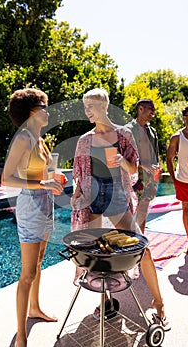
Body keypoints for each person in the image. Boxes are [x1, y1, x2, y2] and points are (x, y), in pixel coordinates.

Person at [70, 88, 170, 330]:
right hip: (93, 202)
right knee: (97, 255)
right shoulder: (85, 140)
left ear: (104, 106)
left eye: (90, 107)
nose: (87, 112)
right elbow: (78, 177)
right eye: (85, 107)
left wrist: (121, 161)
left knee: (141, 249)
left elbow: (133, 169)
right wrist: (76, 195)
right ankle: (106, 301)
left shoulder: (123, 134)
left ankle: (159, 305)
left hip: (116, 198)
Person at [1, 88, 65, 347]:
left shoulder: (39, 140)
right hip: (30, 205)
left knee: (38, 261)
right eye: (42, 106)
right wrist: (43, 184)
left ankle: (35, 309)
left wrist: (53, 178)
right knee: (27, 273)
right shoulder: (23, 139)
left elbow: (42, 173)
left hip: (45, 204)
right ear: (29, 112)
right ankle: (21, 337)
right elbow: (7, 178)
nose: (47, 110)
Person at [125, 99, 162, 233]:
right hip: (132, 175)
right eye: (150, 109)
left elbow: (156, 154)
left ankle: (140, 238)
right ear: (140, 109)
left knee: (144, 207)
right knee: (129, 208)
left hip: (148, 177)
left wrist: (157, 167)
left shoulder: (152, 131)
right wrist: (143, 165)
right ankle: (127, 237)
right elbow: (124, 156)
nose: (153, 112)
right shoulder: (128, 130)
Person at [166, 103, 188, 255]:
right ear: (185, 117)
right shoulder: (176, 138)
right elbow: (169, 159)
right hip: (184, 181)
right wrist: (174, 179)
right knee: (186, 210)